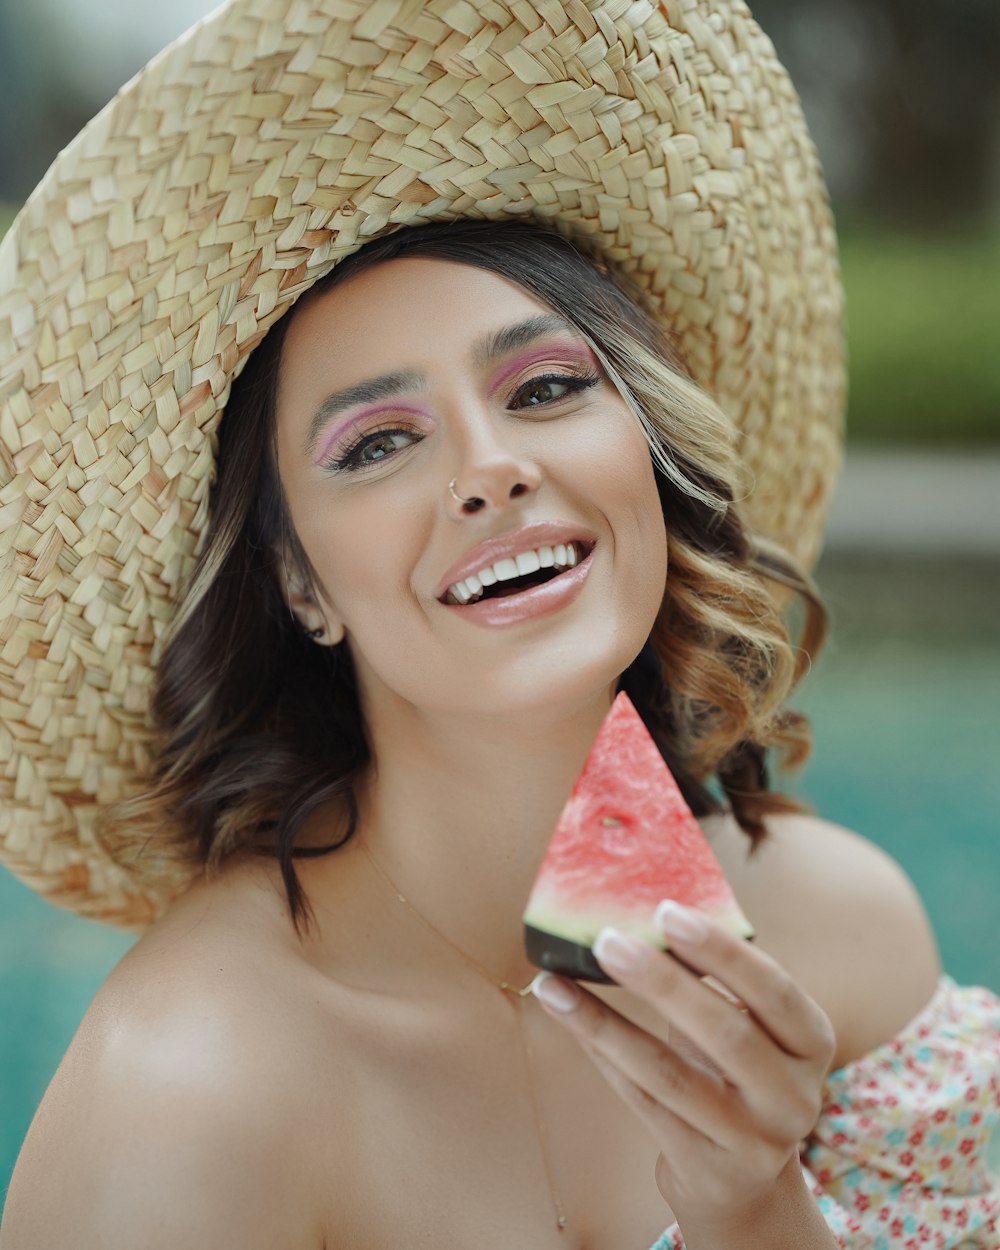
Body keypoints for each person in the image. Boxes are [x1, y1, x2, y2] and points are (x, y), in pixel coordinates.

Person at [1, 3, 997, 1248]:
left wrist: (757, 1208)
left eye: (545, 387)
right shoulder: (192, 1082)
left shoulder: (843, 934)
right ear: (299, 583)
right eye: (376, 444)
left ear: (645, 454)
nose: (490, 467)